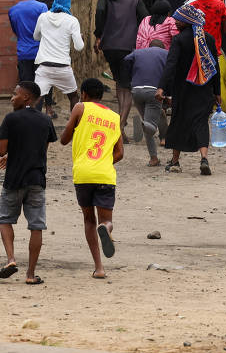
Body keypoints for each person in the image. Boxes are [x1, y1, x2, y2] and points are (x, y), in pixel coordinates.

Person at [60, 78, 124, 279]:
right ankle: (106, 228)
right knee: (106, 220)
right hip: (105, 173)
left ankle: (99, 268)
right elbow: (120, 153)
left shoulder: (80, 107)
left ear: (84, 94)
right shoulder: (114, 117)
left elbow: (64, 139)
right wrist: (104, 161)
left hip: (83, 173)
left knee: (88, 219)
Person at [0, 82, 57, 285]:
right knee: (36, 226)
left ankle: (11, 259)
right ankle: (31, 274)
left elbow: (1, 150)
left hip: (14, 179)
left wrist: (9, 155)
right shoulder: (45, 120)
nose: (12, 98)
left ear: (26, 97)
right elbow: (44, 148)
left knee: (5, 219)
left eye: (15, 94)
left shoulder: (11, 119)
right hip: (36, 180)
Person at [155, 4, 221, 175]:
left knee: (179, 122)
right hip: (204, 89)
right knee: (201, 123)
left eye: (179, 19)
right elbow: (215, 68)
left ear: (187, 21)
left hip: (183, 90)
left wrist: (162, 87)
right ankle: (204, 158)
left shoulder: (179, 40)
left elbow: (171, 65)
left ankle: (175, 161)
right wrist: (217, 92)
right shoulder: (209, 39)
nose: (175, 22)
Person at [94, 0, 149, 143]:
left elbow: (100, 14)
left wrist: (98, 36)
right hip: (129, 47)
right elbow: (145, 18)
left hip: (109, 46)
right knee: (129, 86)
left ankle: (121, 125)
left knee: (119, 83)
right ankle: (120, 126)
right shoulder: (135, 0)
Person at [33, 0, 84, 116]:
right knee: (73, 97)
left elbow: (36, 37)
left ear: (55, 0)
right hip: (62, 68)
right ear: (68, 3)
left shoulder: (43, 17)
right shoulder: (72, 21)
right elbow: (79, 47)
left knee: (36, 97)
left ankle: (30, 124)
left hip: (44, 66)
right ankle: (74, 126)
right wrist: (81, 38)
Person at [122, 40, 168, 167]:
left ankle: (154, 157)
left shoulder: (138, 52)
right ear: (162, 47)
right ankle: (154, 156)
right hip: (154, 91)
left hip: (136, 91)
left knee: (154, 118)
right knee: (150, 126)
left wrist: (131, 75)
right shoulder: (165, 53)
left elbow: (126, 59)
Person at [189, 0, 226, 98]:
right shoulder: (220, 5)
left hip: (196, 51)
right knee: (216, 81)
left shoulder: (192, 6)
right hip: (215, 50)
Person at [9, 0, 48, 83]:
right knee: (41, 88)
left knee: (26, 87)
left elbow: (16, 31)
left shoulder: (12, 10)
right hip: (40, 53)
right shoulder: (42, 7)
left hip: (23, 53)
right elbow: (46, 29)